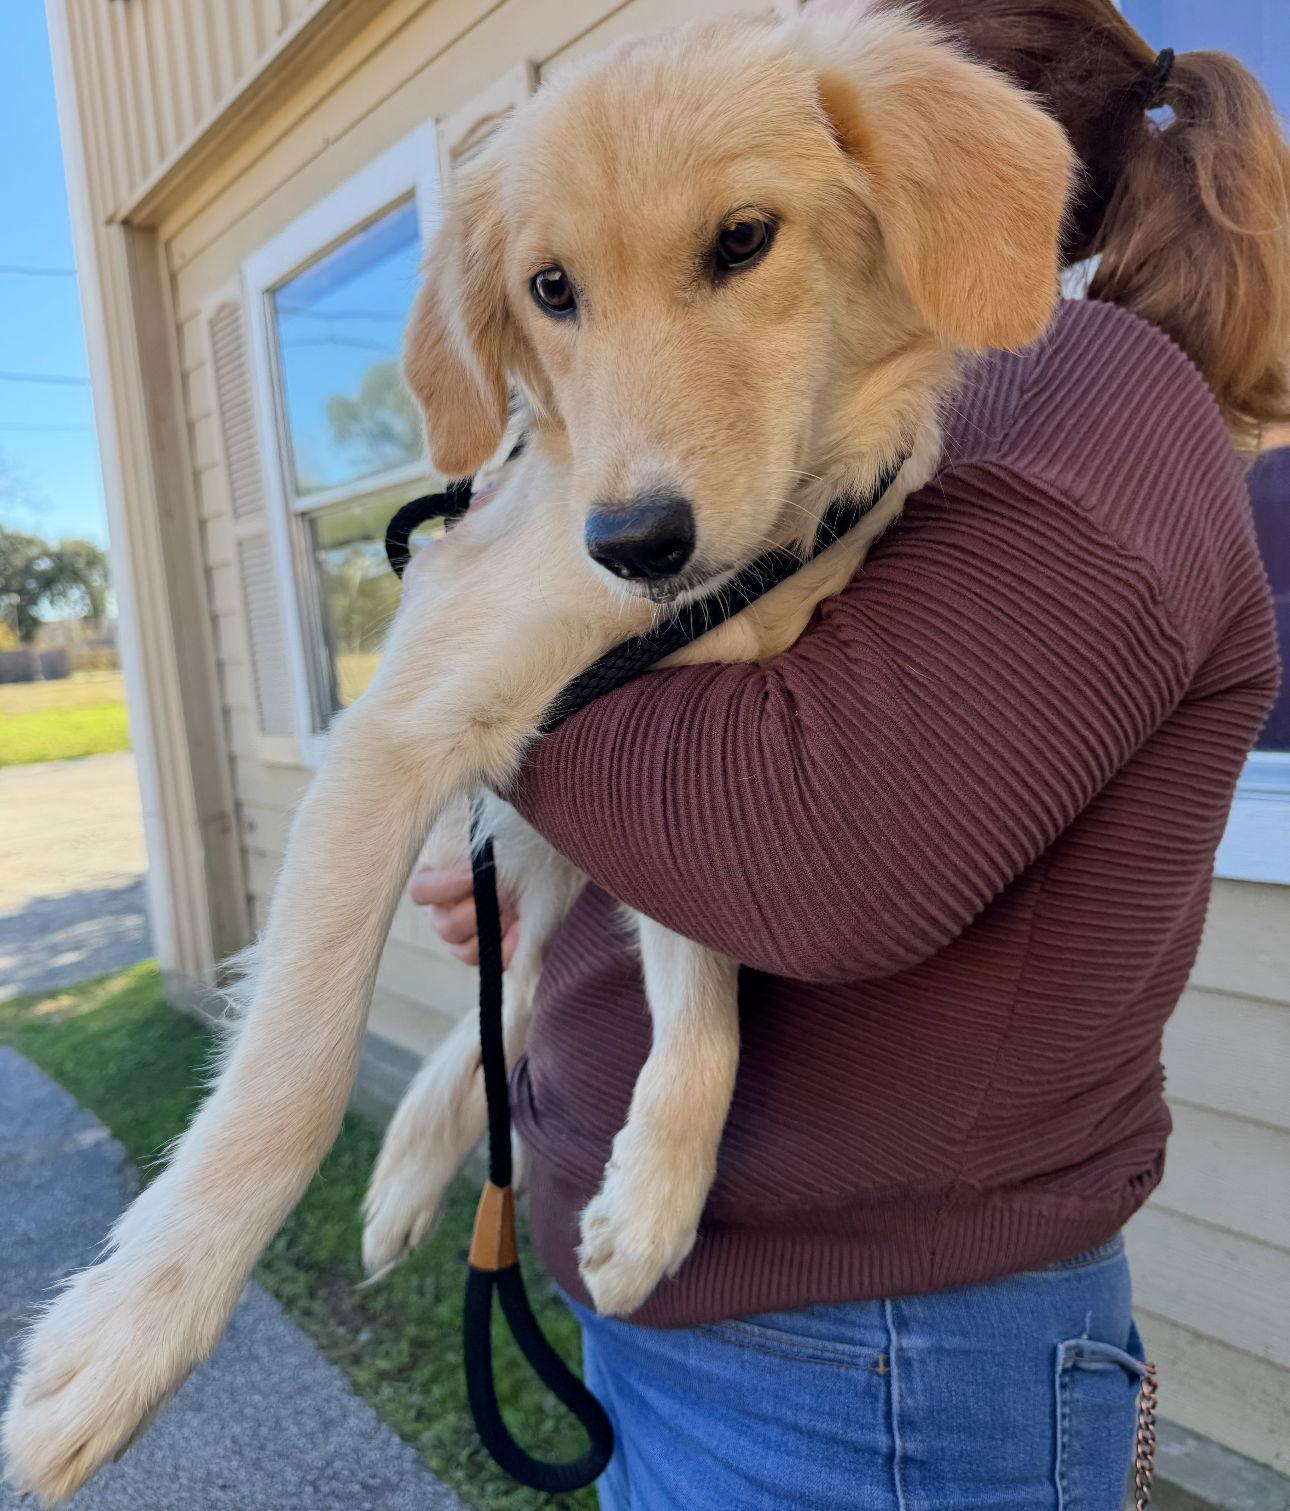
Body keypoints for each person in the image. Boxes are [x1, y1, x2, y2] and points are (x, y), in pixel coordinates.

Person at [407, 2, 1287, 1505]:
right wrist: (577, 842)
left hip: (869, 1363)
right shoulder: (874, 407)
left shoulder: (1078, 390)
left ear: (922, 145)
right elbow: (715, 735)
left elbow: (817, 862)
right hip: (721, 1317)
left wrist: (483, 674)